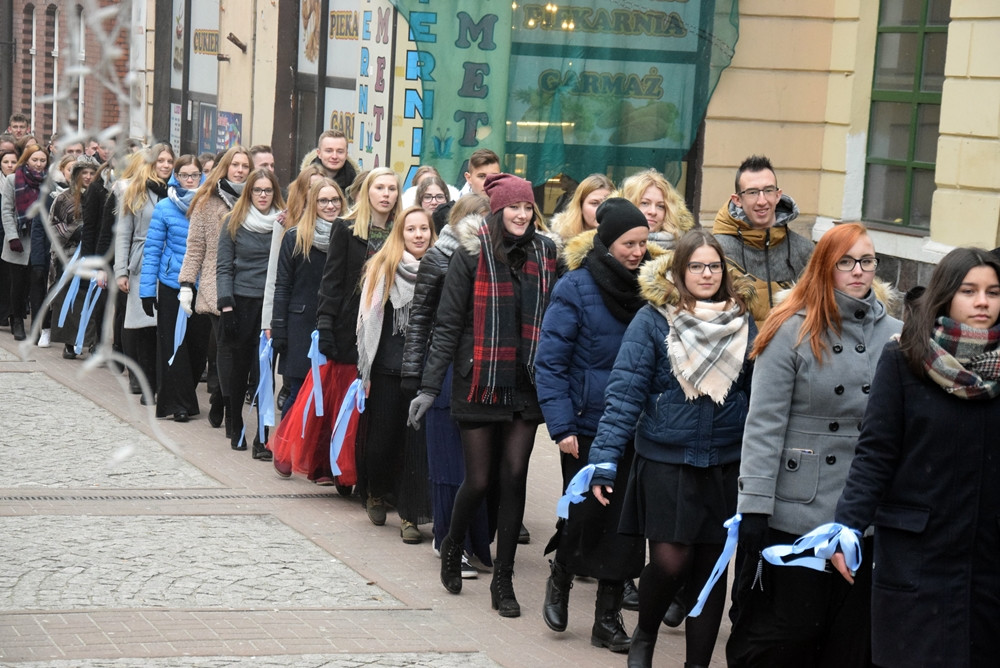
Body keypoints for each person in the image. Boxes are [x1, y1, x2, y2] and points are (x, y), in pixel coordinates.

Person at [727, 223, 901, 668]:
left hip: (866, 509)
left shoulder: (898, 334)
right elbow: (764, 423)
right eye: (846, 262)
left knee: (850, 640)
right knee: (790, 633)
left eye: (867, 261)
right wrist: (754, 507)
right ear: (826, 266)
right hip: (798, 506)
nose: (858, 271)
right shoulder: (790, 328)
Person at [587, 227, 755, 668]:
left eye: (714, 266)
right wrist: (604, 460)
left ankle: (696, 663)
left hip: (723, 462)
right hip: (666, 459)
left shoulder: (744, 323)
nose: (706, 274)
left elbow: (758, 399)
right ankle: (645, 634)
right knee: (670, 560)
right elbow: (624, 393)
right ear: (679, 271)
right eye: (696, 266)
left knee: (711, 571)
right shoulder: (653, 319)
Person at [830, 247, 1000, 668]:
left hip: (987, 561)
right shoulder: (905, 358)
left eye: (994, 292)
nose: (983, 301)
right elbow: (876, 452)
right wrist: (848, 524)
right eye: (970, 290)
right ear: (945, 295)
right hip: (918, 556)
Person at [408, 173, 558, 618]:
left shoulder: (547, 253)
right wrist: (429, 387)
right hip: (477, 381)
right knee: (479, 480)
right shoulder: (469, 256)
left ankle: (504, 581)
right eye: (513, 207)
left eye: (528, 208)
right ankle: (453, 544)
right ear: (496, 210)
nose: (521, 214)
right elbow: (447, 325)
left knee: (514, 477)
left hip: (524, 383)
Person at [535, 198, 654, 653]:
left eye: (643, 243)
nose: (637, 252)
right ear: (608, 242)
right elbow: (550, 363)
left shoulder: (651, 291)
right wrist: (561, 426)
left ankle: (608, 620)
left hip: (635, 429)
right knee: (585, 515)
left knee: (625, 527)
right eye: (629, 243)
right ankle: (562, 573)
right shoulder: (576, 287)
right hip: (585, 426)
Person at [400, 193, 493, 575]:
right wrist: (417, 378)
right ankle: (447, 539)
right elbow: (421, 319)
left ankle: (473, 541)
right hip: (444, 367)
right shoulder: (440, 257)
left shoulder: (495, 259)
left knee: (477, 466)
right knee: (448, 462)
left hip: (481, 369)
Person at [315, 167, 401, 486]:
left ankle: (372, 470)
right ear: (367, 192)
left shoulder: (402, 231)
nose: (386, 194)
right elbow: (331, 281)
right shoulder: (346, 229)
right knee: (350, 400)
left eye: (392, 188)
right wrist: (324, 325)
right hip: (350, 326)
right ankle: (344, 467)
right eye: (380, 188)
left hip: (390, 327)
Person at [356, 205, 436, 544]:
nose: (418, 235)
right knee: (380, 443)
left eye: (424, 229)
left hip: (423, 373)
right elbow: (366, 321)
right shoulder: (381, 267)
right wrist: (366, 368)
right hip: (387, 369)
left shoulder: (442, 269)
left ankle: (409, 516)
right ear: (399, 234)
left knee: (413, 447)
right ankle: (375, 491)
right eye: (411, 229)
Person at [178, 145, 252, 433]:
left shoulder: (255, 199)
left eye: (245, 166)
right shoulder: (207, 201)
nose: (240, 170)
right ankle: (231, 412)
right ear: (225, 167)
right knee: (225, 346)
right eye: (235, 165)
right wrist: (186, 283)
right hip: (213, 281)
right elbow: (195, 246)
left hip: (247, 284)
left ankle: (221, 397)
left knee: (241, 347)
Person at [215, 168, 285, 456]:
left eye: (268, 190)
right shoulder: (233, 222)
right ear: (249, 193)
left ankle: (262, 437)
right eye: (258, 190)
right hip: (240, 303)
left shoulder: (283, 223)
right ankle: (237, 425)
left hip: (269, 305)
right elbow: (223, 266)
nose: (263, 196)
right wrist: (227, 306)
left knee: (264, 371)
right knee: (240, 367)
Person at [139, 155, 211, 422]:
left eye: (195, 175)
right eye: (185, 175)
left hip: (203, 285)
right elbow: (153, 250)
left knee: (196, 346)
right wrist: (147, 290)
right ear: (176, 177)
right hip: (171, 283)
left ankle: (186, 395)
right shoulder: (165, 207)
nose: (190, 180)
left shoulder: (209, 205)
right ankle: (177, 404)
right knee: (172, 345)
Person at [712, 155, 814, 327]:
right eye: (752, 192)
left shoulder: (805, 251)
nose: (762, 201)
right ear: (737, 200)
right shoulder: (718, 250)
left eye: (768, 191)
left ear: (778, 195)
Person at [115, 143, 175, 397]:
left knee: (163, 324)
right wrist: (121, 271)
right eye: (160, 160)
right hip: (141, 261)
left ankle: (160, 380)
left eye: (169, 161)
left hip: (169, 263)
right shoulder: (135, 192)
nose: (165, 165)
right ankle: (139, 376)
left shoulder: (177, 191)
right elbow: (124, 233)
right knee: (141, 323)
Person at [48, 156, 99, 358]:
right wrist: (75, 231)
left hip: (94, 256)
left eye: (91, 173)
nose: (87, 177)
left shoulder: (103, 196)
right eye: (83, 173)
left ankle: (92, 341)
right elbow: (53, 226)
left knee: (92, 298)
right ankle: (69, 341)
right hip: (69, 256)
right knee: (70, 299)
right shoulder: (63, 198)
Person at [1, 143, 49, 341]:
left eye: (42, 160)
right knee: (17, 285)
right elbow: (7, 210)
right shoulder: (13, 180)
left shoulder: (49, 183)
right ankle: (17, 319)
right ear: (27, 160)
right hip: (18, 240)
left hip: (39, 242)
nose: (38, 164)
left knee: (37, 283)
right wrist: (12, 236)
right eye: (34, 159)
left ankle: (38, 325)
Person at [620, 168, 695, 250]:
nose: (653, 212)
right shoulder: (611, 246)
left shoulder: (683, 252)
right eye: (645, 203)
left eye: (660, 206)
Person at [548, 173, 614, 242]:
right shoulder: (559, 239)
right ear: (580, 205)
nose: (602, 209)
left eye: (608, 203)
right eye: (594, 203)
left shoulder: (621, 238)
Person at [0, 148, 19, 331]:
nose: (10, 165)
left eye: (13, 162)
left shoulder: (18, 183)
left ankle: (11, 314)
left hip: (11, 235)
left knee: (10, 277)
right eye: (6, 162)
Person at [313, 130, 357, 195]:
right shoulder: (304, 183)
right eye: (329, 151)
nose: (334, 156)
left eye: (340, 151)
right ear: (319, 153)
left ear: (346, 155)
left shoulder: (357, 187)